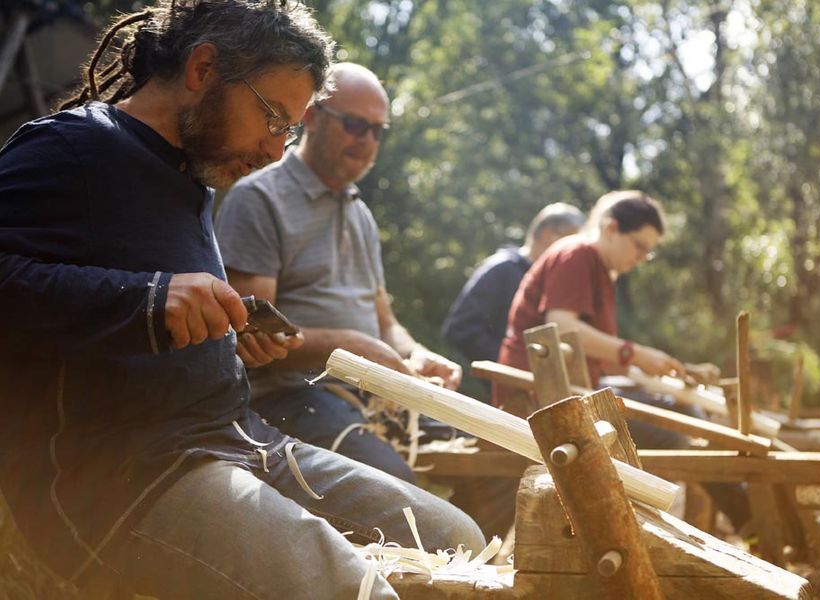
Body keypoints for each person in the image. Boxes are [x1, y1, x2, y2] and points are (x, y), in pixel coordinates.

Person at [0, 3, 483, 598]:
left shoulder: (191, 177)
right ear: (204, 68)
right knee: (356, 592)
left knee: (458, 540)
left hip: (240, 439)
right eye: (273, 118)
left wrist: (231, 339)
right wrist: (145, 300)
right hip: (125, 473)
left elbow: (156, 325)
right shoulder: (74, 146)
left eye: (289, 131)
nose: (276, 150)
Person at [215, 62, 462, 484]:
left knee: (508, 453)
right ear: (311, 115)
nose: (366, 141)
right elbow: (254, 332)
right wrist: (353, 349)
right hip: (293, 396)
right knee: (399, 490)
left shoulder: (361, 214)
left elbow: (385, 320)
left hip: (371, 397)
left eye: (377, 131)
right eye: (354, 125)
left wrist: (413, 353)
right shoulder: (260, 198)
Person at [496, 190, 750, 531]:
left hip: (572, 389)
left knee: (683, 411)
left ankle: (746, 521)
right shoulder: (577, 254)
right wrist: (633, 353)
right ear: (612, 228)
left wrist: (654, 369)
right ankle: (735, 522)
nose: (643, 257)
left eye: (649, 251)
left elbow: (600, 356)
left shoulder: (600, 270)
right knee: (674, 432)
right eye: (640, 246)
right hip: (536, 397)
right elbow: (560, 326)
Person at [442, 202, 585, 367]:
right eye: (569, 244)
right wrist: (509, 362)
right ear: (547, 235)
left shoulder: (553, 281)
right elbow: (461, 328)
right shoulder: (502, 268)